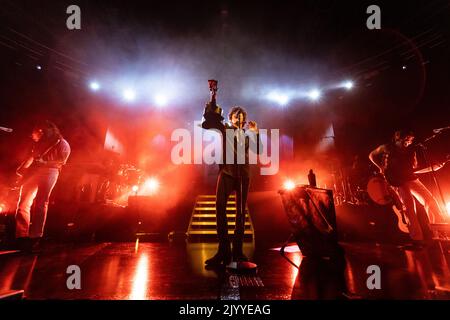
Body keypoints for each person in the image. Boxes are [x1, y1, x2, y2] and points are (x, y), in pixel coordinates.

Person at [202, 89, 261, 266]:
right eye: (236, 116)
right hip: (226, 173)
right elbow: (210, 119)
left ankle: (237, 251)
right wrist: (213, 97)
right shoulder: (225, 128)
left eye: (242, 116)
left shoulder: (248, 134)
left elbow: (258, 150)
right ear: (230, 118)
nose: (240, 119)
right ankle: (224, 250)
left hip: (243, 175)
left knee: (240, 213)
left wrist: (256, 132)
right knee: (220, 207)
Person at [369, 130, 446, 246]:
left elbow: (414, 168)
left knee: (430, 200)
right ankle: (417, 239)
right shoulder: (386, 147)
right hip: (396, 180)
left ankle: (438, 233)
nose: (408, 142)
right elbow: (371, 155)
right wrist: (381, 167)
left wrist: (433, 167)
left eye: (410, 140)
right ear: (397, 138)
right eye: (406, 139)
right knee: (409, 207)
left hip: (410, 178)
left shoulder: (411, 149)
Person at [14, 121, 71, 252]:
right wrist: (21, 169)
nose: (40, 133)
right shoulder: (40, 142)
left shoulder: (63, 144)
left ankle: (35, 237)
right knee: (23, 202)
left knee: (41, 203)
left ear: (51, 130)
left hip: (50, 172)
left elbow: (62, 162)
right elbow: (32, 157)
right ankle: (21, 236)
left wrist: (45, 162)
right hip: (35, 172)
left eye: (42, 131)